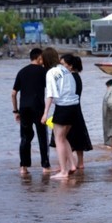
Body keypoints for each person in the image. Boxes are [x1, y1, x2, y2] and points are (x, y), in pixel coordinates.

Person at [41, 48, 79, 180]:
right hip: (74, 106)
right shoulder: (65, 70)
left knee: (58, 139)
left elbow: (50, 94)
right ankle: (72, 165)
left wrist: (45, 113)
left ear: (45, 60)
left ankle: (63, 171)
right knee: (63, 137)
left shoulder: (51, 72)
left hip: (63, 107)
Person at [12, 48, 50, 174]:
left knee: (25, 137)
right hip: (38, 107)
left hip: (24, 108)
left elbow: (13, 94)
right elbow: (50, 90)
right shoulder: (44, 71)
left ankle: (23, 167)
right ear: (39, 58)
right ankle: (45, 166)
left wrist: (15, 111)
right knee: (42, 136)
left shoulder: (21, 71)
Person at [60, 53, 93, 172]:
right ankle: (80, 162)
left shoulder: (70, 77)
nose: (61, 67)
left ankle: (67, 163)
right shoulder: (77, 76)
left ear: (70, 65)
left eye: (63, 64)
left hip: (69, 108)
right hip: (77, 108)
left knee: (65, 136)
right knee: (78, 134)